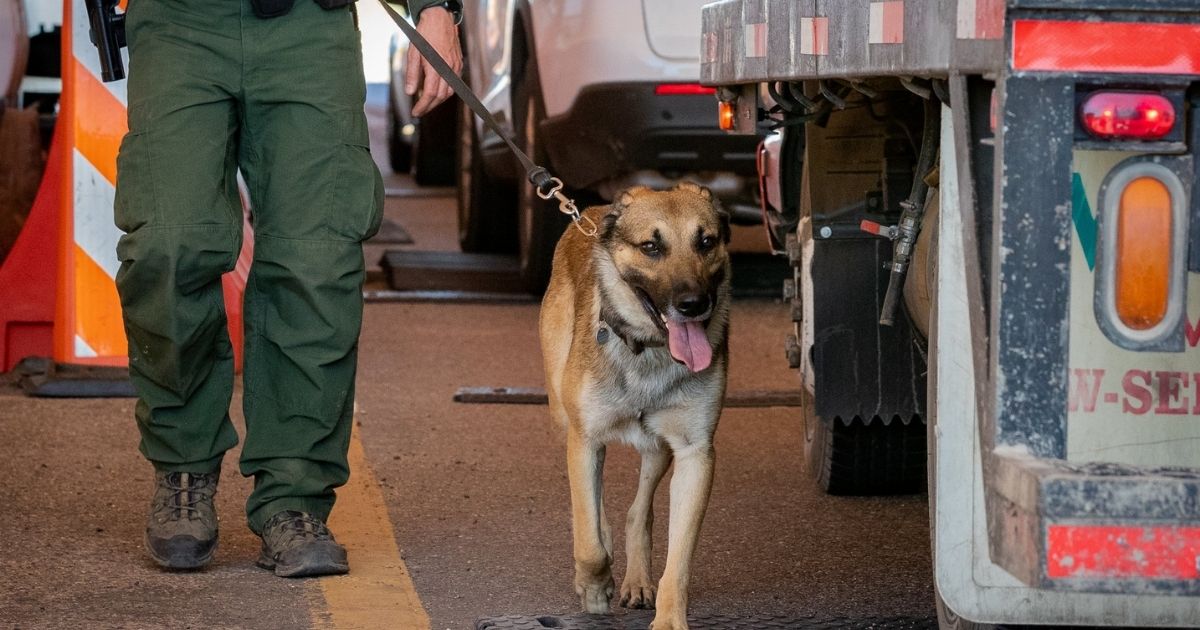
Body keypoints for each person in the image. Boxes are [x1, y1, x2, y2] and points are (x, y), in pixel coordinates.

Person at [114, 0, 462, 577]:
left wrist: (435, 8)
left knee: (315, 260)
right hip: (179, 22)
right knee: (167, 246)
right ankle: (182, 466)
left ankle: (294, 498)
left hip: (309, 26)